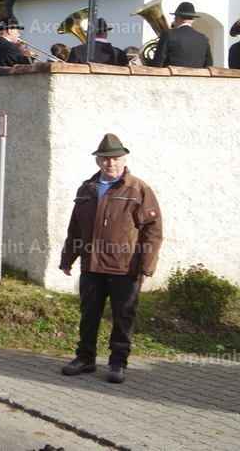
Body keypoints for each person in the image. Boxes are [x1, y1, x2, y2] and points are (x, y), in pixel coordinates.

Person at [59, 134, 162, 384]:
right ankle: (85, 358)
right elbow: (75, 228)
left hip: (125, 267)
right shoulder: (86, 189)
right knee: (89, 313)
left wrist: (146, 266)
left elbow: (153, 231)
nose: (110, 164)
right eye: (105, 160)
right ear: (98, 162)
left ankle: (118, 363)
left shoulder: (139, 189)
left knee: (123, 316)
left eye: (115, 159)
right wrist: (68, 258)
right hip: (92, 265)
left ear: (124, 159)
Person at [150, 1, 212, 68]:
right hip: (196, 78)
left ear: (176, 18)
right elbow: (209, 64)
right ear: (193, 20)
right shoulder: (203, 38)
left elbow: (157, 64)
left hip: (172, 78)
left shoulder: (168, 35)